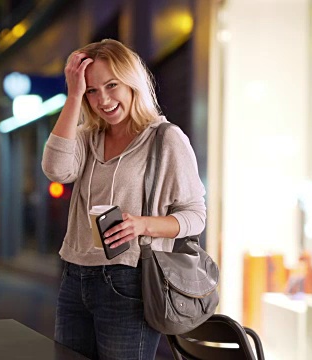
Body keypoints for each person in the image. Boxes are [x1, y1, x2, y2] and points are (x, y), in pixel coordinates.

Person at [41, 39, 206, 360]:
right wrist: (73, 94)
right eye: (91, 90)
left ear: (132, 82)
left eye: (111, 85)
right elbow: (56, 169)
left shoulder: (165, 138)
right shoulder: (88, 138)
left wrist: (141, 225)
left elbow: (195, 214)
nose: (102, 99)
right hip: (75, 277)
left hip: (130, 279)